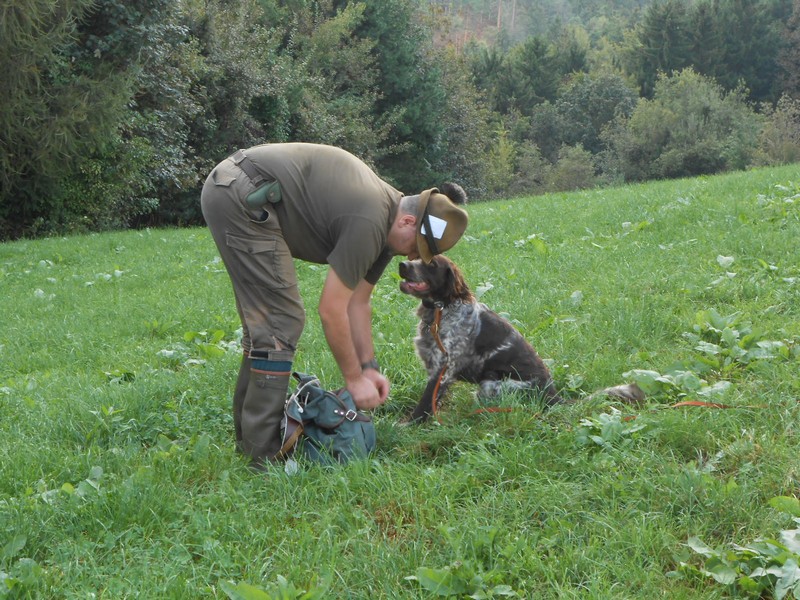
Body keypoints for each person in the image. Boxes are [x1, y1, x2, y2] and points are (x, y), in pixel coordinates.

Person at [200, 142, 468, 467]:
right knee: (281, 322)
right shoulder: (370, 219)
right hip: (243, 194)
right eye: (417, 247)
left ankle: (250, 443)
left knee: (267, 329)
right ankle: (262, 456)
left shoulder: (387, 225)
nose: (412, 257)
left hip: (239, 187)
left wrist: (368, 368)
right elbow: (331, 309)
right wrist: (353, 380)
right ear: (408, 222)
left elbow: (358, 303)